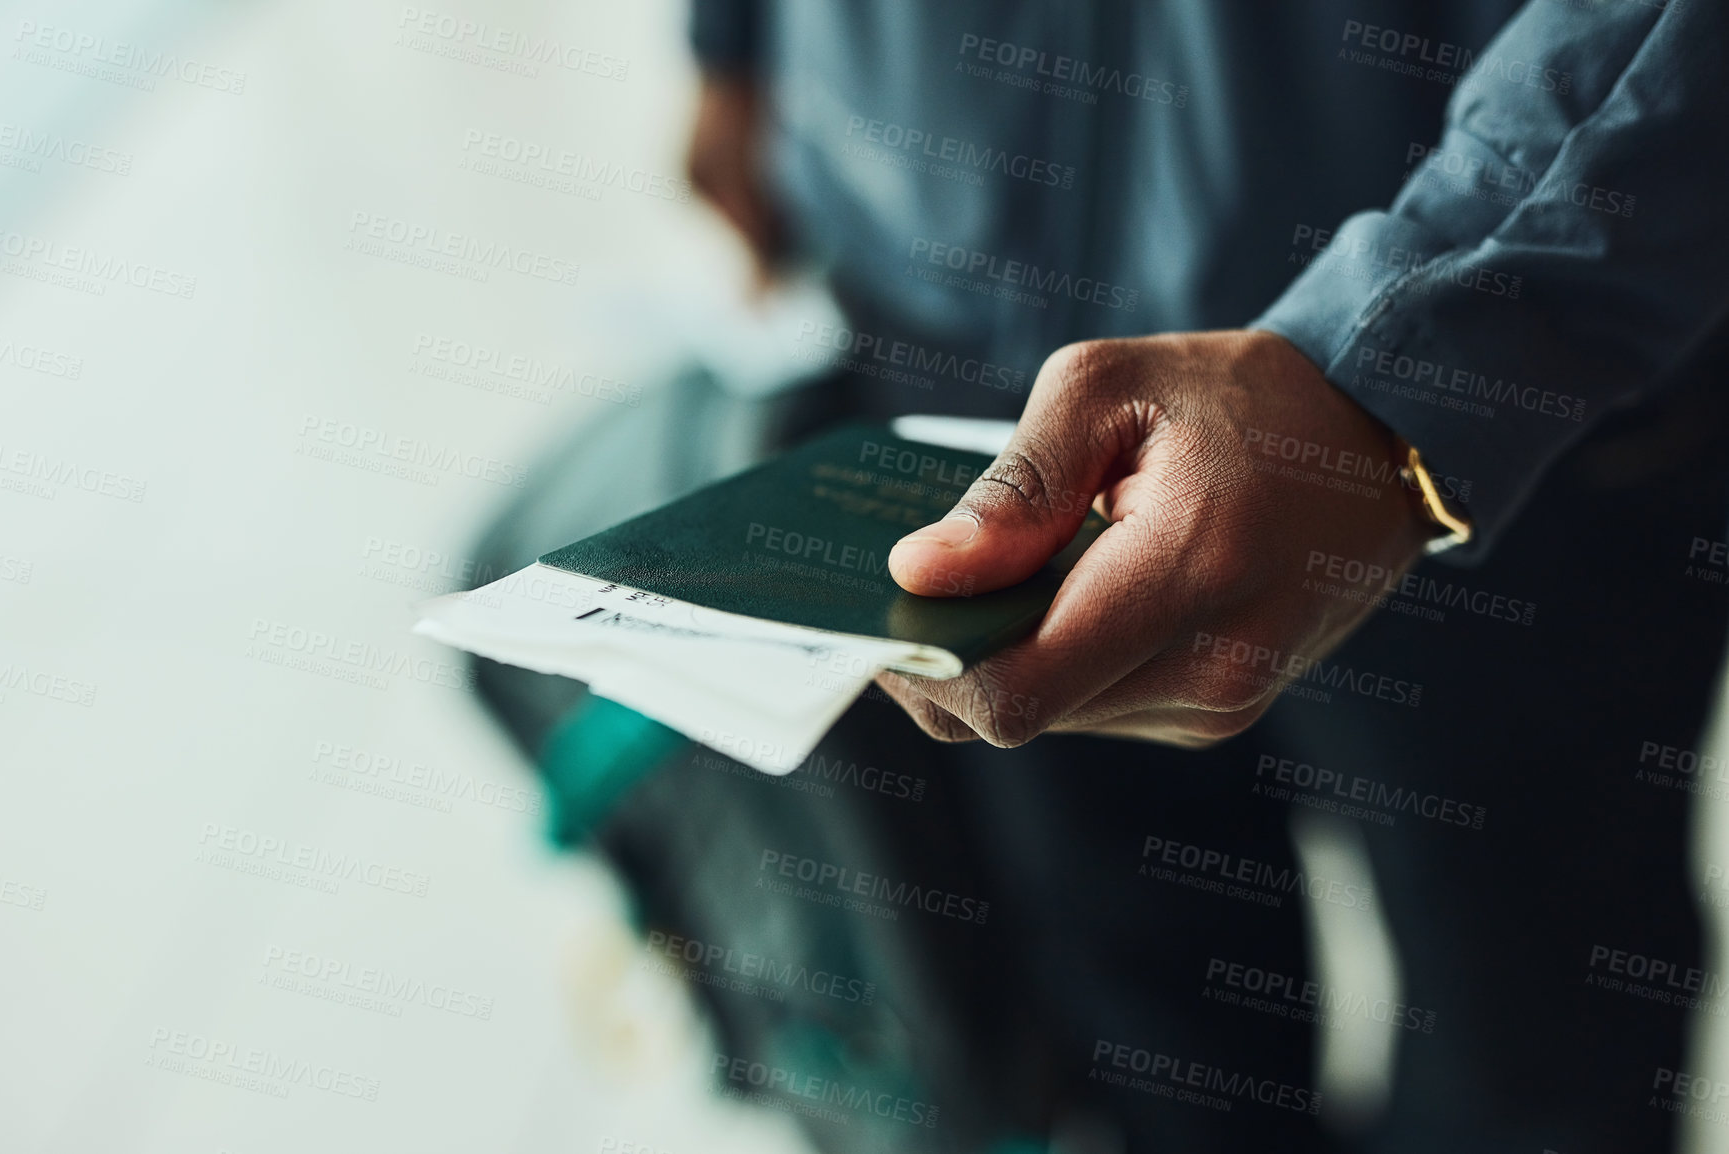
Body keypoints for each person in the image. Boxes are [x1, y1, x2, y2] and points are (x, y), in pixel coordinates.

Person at [501, 3, 1729, 1150]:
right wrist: (740, 40)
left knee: (1526, 1010)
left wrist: (1406, 354)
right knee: (1133, 996)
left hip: (1496, 385)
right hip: (948, 303)